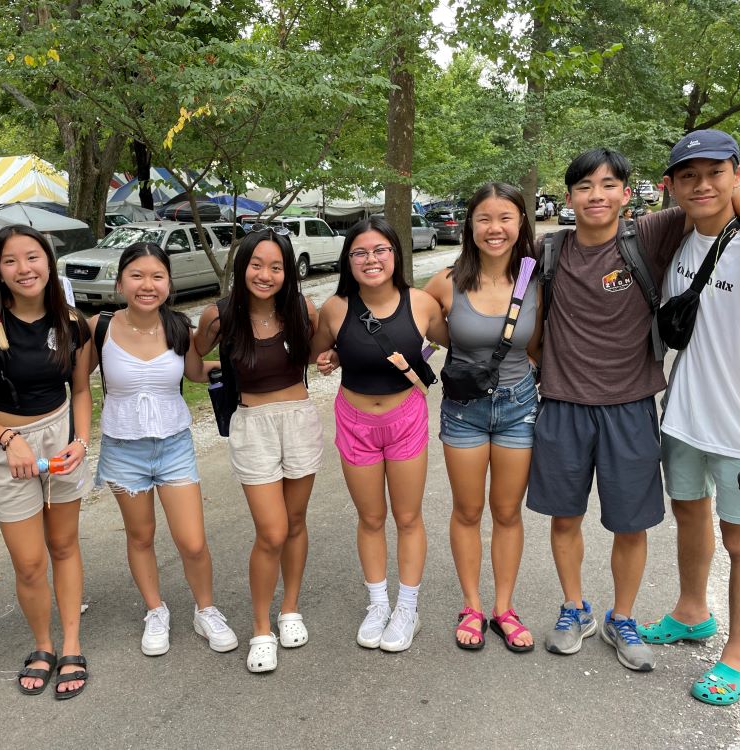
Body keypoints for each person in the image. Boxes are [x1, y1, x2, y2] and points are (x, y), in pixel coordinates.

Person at [527, 148, 740, 673]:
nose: (595, 196)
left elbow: (737, 191)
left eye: (608, 186)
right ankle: (574, 608)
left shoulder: (651, 235)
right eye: (583, 187)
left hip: (632, 408)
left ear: (630, 193)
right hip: (564, 407)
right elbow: (495, 278)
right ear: (568, 195)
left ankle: (623, 616)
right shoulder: (547, 250)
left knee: (631, 524)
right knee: (565, 519)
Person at [638, 130, 740, 704]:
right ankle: (692, 611)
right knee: (690, 516)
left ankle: (739, 653)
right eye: (688, 175)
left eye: (715, 172)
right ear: (671, 185)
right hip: (684, 418)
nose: (702, 185)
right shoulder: (678, 240)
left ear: (739, 173)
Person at [0, 224, 92, 700]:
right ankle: (43, 644)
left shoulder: (72, 322)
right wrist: (10, 438)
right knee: (29, 563)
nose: (24, 269)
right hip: (7, 448)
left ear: (48, 263)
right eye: (11, 261)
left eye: (33, 257)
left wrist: (82, 440)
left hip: (60, 439)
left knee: (65, 546)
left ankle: (71, 642)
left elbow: (83, 389)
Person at [93, 242, 238, 660]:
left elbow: (195, 373)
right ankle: (156, 611)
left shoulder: (178, 328)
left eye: (157, 276)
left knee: (192, 542)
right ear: (120, 282)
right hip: (123, 450)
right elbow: (74, 378)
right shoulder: (98, 327)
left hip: (174, 446)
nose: (147, 284)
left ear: (168, 283)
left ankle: (205, 609)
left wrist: (246, 365)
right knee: (141, 537)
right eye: (137, 275)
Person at [310, 216, 447, 653]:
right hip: (354, 421)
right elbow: (320, 351)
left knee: (407, 517)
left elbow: (450, 340)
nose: (371, 259)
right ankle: (377, 603)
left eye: (380, 250)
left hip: (405, 418)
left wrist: (419, 353)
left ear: (395, 254)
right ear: (348, 261)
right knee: (370, 518)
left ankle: (407, 607)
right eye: (360, 252)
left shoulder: (422, 303)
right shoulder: (335, 308)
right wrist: (330, 355)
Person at [195, 226, 321, 673]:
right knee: (272, 530)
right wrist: (214, 366)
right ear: (242, 265)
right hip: (253, 426)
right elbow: (194, 366)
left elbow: (315, 354)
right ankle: (261, 628)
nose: (265, 274)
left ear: (288, 271)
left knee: (297, 520)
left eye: (276, 266)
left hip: (300, 420)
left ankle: (290, 608)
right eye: (256, 264)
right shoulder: (220, 315)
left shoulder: (303, 310)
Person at [424, 183, 542, 652]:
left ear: (520, 224)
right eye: (484, 219)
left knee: (508, 512)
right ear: (470, 226)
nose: (495, 228)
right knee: (469, 510)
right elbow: (424, 338)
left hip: (519, 408)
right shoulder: (444, 281)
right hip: (465, 412)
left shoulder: (536, 280)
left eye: (505, 218)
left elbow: (541, 347)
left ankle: (504, 608)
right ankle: (471, 605)